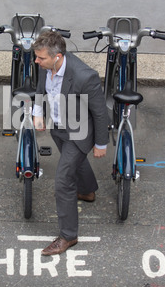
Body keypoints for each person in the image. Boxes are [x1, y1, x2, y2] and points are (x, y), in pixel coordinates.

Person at [32, 31, 108, 256]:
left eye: (41, 58)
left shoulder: (85, 76)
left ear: (57, 57)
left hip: (79, 132)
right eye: (36, 57)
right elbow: (40, 89)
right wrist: (38, 113)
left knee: (63, 180)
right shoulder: (45, 65)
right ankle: (87, 191)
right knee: (75, 161)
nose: (36, 61)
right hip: (58, 126)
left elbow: (100, 112)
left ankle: (68, 236)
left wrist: (101, 144)